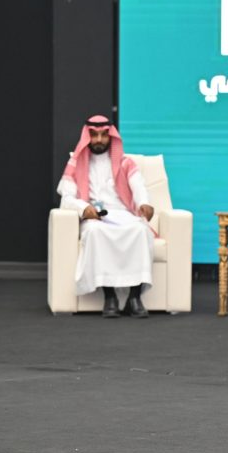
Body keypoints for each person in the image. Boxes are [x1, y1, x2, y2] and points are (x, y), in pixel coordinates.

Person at [56, 115, 157, 318]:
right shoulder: (76, 163)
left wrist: (144, 204)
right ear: (88, 137)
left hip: (123, 215)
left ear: (111, 137)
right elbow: (66, 197)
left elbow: (139, 188)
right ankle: (109, 297)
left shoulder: (126, 163)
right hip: (95, 217)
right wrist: (83, 207)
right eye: (94, 135)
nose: (99, 140)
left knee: (140, 230)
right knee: (95, 232)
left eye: (104, 135)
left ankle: (134, 298)